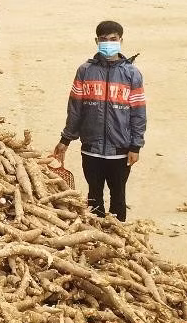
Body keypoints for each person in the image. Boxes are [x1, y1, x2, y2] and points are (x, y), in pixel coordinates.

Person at [53, 21, 146, 221]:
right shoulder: (85, 71)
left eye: (113, 39)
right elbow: (75, 109)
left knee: (118, 197)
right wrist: (65, 139)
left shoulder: (132, 74)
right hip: (91, 148)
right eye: (103, 40)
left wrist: (135, 146)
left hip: (120, 150)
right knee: (94, 196)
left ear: (121, 41)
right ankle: (96, 236)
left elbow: (138, 114)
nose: (108, 43)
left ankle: (118, 239)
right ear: (96, 41)